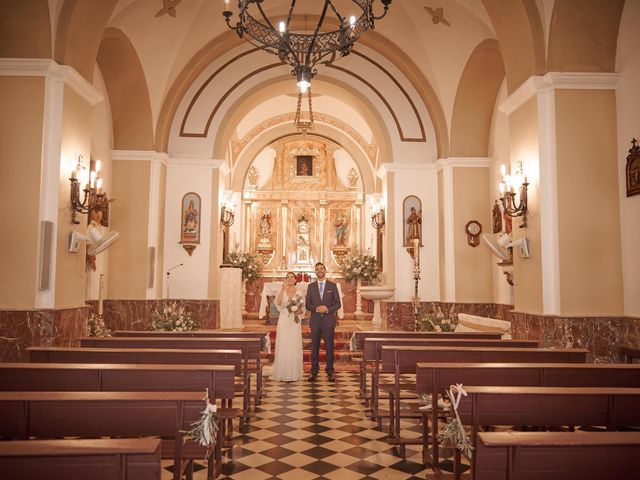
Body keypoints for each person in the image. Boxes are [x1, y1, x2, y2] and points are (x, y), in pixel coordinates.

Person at [305, 262, 341, 382]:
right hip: (315, 321)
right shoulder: (311, 287)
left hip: (328, 321)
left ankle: (330, 371)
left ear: (325, 271)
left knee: (329, 347)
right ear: (315, 272)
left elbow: (338, 304)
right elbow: (307, 304)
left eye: (321, 268)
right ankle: (314, 371)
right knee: (314, 347)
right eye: (317, 269)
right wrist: (316, 308)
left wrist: (327, 309)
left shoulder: (332, 286)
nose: (319, 270)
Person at [271, 272, 304, 382]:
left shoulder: (299, 292)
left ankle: (293, 373)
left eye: (292, 277)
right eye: (288, 277)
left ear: (295, 280)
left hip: (294, 321)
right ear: (285, 280)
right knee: (284, 343)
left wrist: (297, 311)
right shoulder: (283, 290)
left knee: (293, 344)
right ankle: (282, 372)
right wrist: (282, 289)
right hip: (284, 320)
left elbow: (302, 309)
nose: (290, 279)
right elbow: (278, 303)